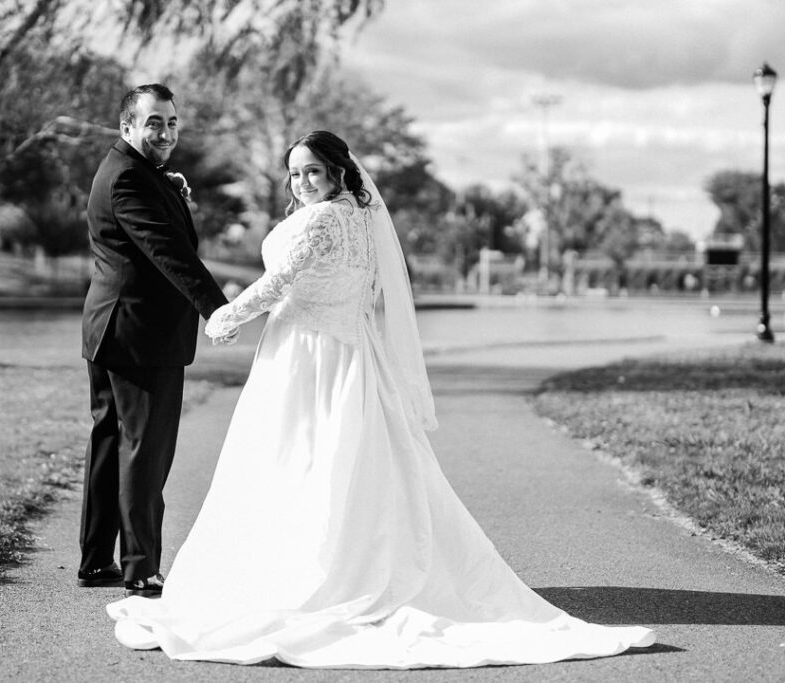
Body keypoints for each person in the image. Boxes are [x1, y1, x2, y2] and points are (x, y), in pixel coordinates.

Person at [106, 131, 656, 668]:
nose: (301, 183)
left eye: (312, 172)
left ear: (338, 173)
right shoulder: (359, 218)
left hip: (308, 357)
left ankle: (309, 576)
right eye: (294, 173)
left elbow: (281, 283)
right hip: (349, 354)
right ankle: (352, 562)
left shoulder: (324, 218)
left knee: (295, 460)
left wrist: (226, 315)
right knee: (345, 463)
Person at [79, 84, 231, 597]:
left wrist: (173, 190)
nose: (164, 132)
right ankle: (140, 567)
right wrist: (219, 309)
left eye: (170, 122)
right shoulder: (128, 179)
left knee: (110, 444)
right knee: (144, 450)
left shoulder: (135, 172)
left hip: (113, 331)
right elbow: (170, 253)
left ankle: (97, 560)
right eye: (152, 123)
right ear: (127, 128)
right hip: (138, 336)